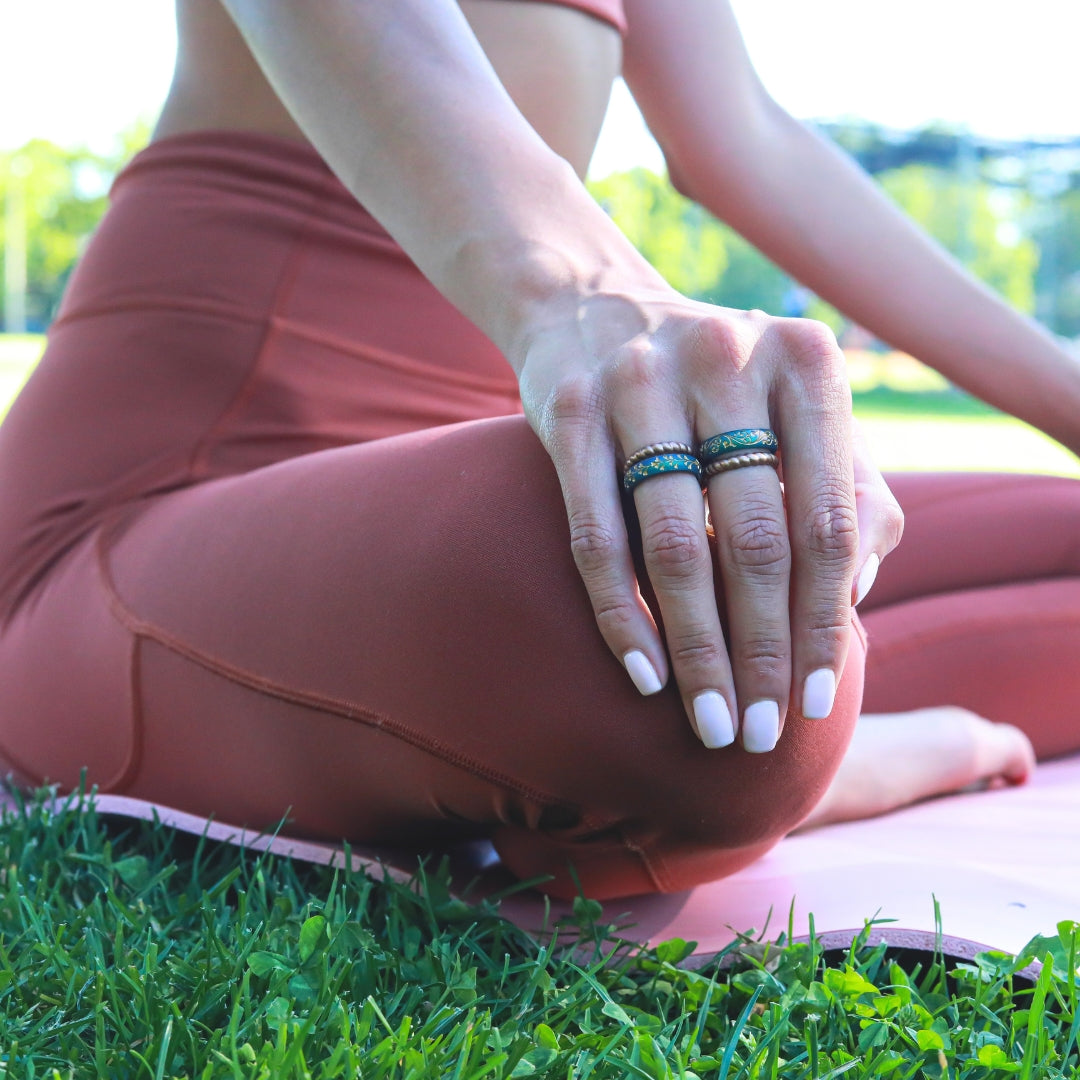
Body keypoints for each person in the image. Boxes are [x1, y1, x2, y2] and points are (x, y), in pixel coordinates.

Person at [0, 0, 1076, 899]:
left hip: (481, 448)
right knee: (624, 634)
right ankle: (831, 740)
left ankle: (808, 715)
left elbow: (740, 132)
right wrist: (589, 293)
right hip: (176, 488)